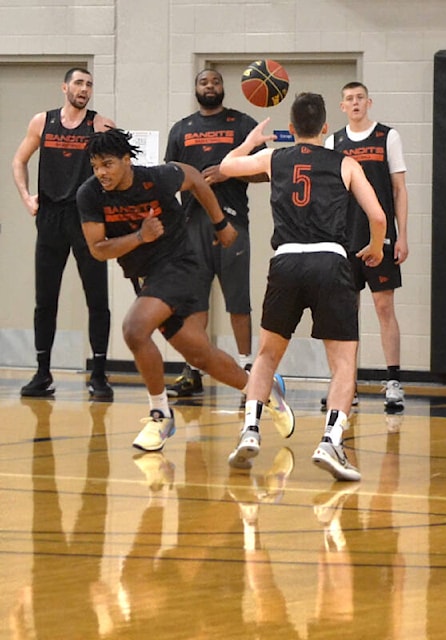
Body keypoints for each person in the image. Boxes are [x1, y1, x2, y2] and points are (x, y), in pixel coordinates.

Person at [76, 128, 294, 452]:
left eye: (107, 164)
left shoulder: (156, 178)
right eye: (95, 166)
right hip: (147, 277)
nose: (101, 173)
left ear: (126, 160)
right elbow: (98, 248)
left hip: (179, 264)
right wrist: (139, 237)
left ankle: (160, 414)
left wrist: (221, 224)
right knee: (199, 355)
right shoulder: (90, 194)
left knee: (135, 329)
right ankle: (262, 392)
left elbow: (193, 177)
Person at [220, 92, 387, 481]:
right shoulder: (345, 162)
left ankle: (250, 430)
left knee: (266, 356)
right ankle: (331, 441)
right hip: (331, 261)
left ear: (291, 130)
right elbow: (377, 214)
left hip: (287, 261)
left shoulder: (275, 158)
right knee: (343, 363)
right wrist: (375, 248)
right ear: (327, 129)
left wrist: (251, 142)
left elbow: (226, 167)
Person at [163, 68, 268, 398]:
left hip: (233, 224)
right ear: (196, 89)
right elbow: (168, 177)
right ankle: (192, 369)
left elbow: (265, 171)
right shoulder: (181, 129)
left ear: (223, 88)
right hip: (190, 227)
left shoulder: (241, 124)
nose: (210, 86)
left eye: (216, 81)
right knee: (194, 303)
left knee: (238, 301)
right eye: (203, 81)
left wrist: (228, 172)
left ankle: (246, 369)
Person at [11, 67, 114, 400]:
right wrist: (27, 197)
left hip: (87, 220)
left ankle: (99, 375)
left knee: (97, 299)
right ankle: (42, 374)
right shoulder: (43, 122)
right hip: (51, 218)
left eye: (89, 85)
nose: (84, 89)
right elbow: (18, 161)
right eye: (79, 83)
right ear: (65, 87)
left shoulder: (99, 125)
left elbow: (121, 165)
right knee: (46, 300)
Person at [325, 81, 408, 412]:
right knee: (347, 312)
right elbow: (330, 193)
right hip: (345, 238)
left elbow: (400, 189)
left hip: (381, 237)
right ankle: (348, 384)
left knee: (384, 307)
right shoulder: (334, 142)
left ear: (369, 102)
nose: (355, 102)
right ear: (342, 106)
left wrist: (402, 234)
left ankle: (393, 382)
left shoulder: (388, 137)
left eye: (360, 98)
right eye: (349, 99)